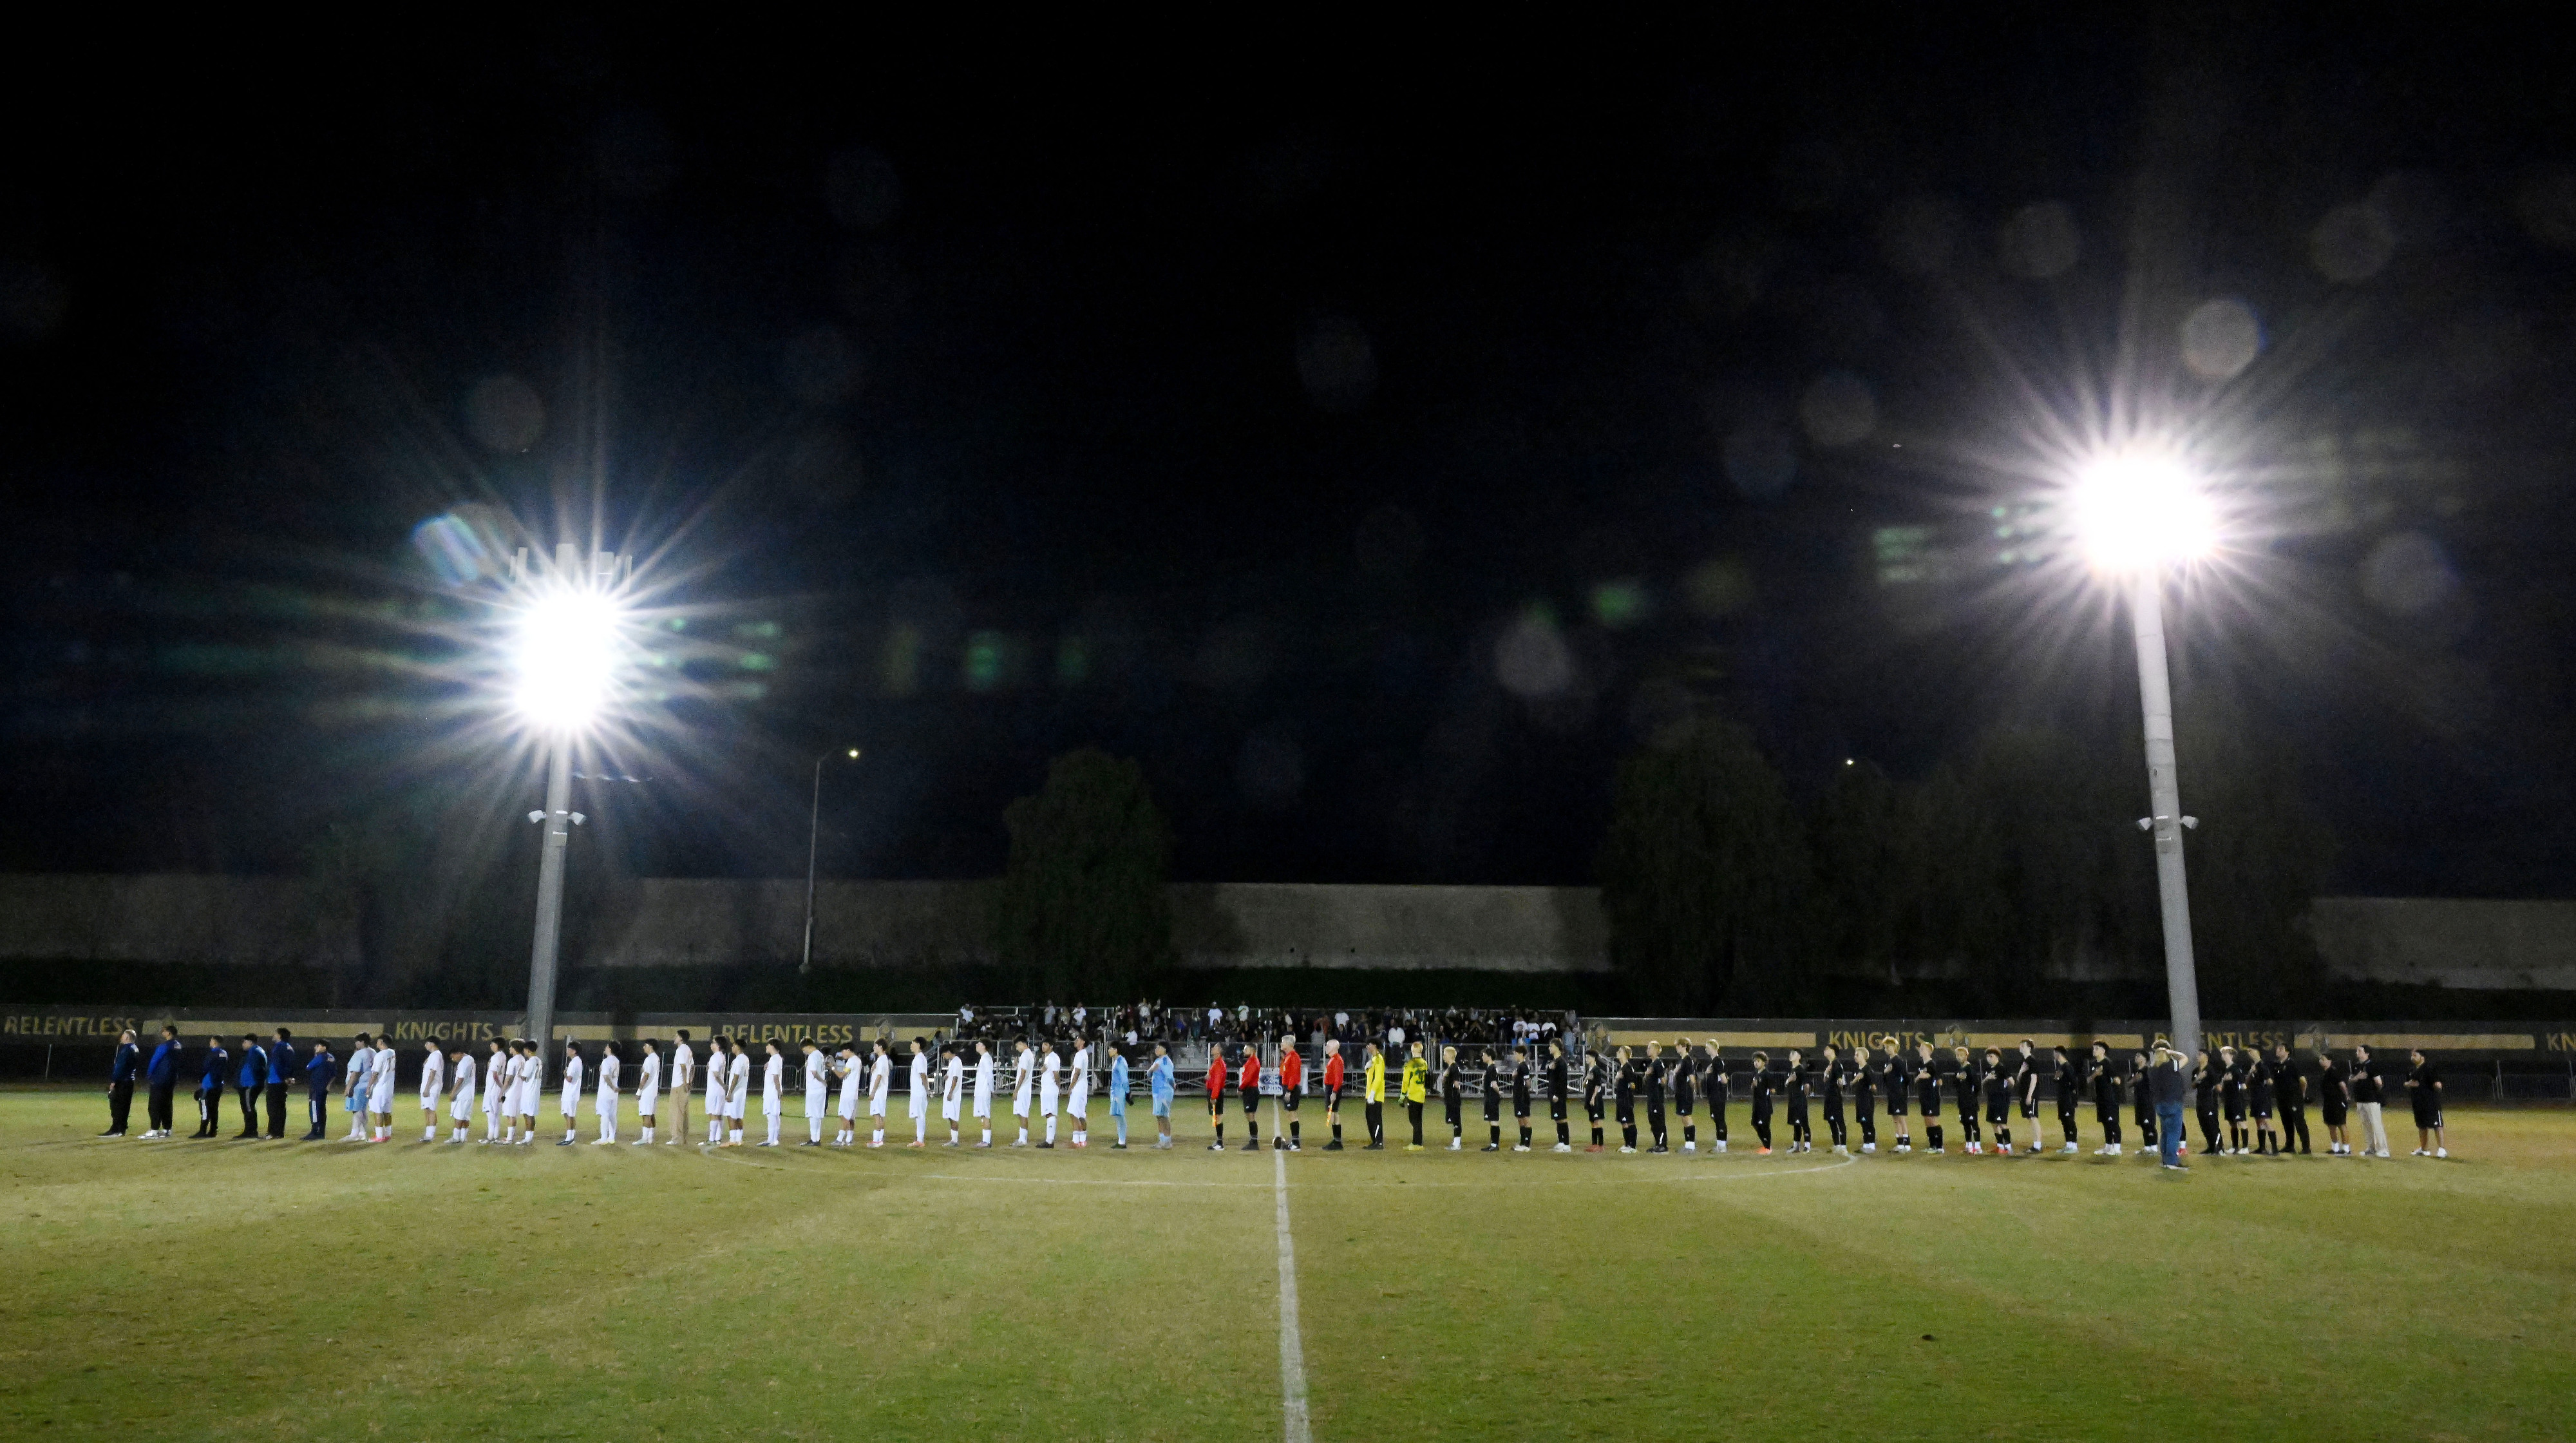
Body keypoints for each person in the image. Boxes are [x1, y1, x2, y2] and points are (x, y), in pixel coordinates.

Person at [2150, 1042, 2190, 1171]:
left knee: (2165, 1133)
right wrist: (2172, 1052)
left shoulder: (2152, 1069)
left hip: (2159, 1104)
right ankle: (2172, 1162)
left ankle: (2165, 1161)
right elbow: (2185, 1058)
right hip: (2172, 1102)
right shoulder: (2171, 1065)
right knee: (2173, 1133)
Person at [2351, 1045, 2391, 1158]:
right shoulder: (2357, 1066)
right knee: (2366, 1125)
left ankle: (2384, 1149)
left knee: (2376, 1124)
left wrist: (2374, 1091)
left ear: (2367, 1053)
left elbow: (2379, 1083)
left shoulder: (2372, 1065)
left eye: (2360, 1051)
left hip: (2371, 1100)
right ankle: (2371, 1148)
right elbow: (2351, 1079)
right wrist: (2358, 1077)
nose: (2357, 1052)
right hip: (2360, 1099)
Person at [2405, 1048, 2446, 1158]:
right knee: (2422, 1126)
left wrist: (2437, 1086)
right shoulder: (2412, 1070)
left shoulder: (2429, 1068)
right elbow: (2412, 1083)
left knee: (2437, 1126)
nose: (2412, 1057)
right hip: (2418, 1102)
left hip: (2431, 1102)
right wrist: (2409, 1084)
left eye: (2415, 1055)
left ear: (2422, 1057)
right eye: (2412, 1056)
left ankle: (2442, 1149)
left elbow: (2437, 1083)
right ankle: (2424, 1149)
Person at [2272, 1044, 2311, 1156]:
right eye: (2277, 1049)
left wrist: (2302, 1094)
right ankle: (2290, 1146)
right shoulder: (2276, 1065)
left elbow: (2303, 1081)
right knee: (2287, 1122)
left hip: (2294, 1098)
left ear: (2287, 1052)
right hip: (2281, 1098)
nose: (2278, 1051)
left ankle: (2306, 1148)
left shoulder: (2292, 1064)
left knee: (2299, 1122)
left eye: (2281, 1049)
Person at [2084, 1041, 2121, 1156]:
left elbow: (2118, 1081)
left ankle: (2117, 1147)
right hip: (2100, 1098)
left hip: (2110, 1098)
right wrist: (2096, 1073)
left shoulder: (2108, 1063)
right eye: (2094, 1048)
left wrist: (2111, 1079)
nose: (2094, 1050)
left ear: (2103, 1051)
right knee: (2105, 1122)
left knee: (2113, 1122)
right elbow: (2088, 1080)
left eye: (2097, 1048)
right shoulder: (2094, 1064)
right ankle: (2108, 1146)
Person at [144, 1025, 180, 1139]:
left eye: (164, 1031)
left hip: (160, 1079)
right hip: (171, 1079)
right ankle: (167, 1130)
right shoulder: (178, 1045)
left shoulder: (164, 1046)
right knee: (167, 1104)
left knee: (154, 1105)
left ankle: (154, 1130)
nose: (162, 1033)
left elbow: (155, 1061)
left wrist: (149, 1074)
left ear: (169, 1033)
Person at [104, 1028, 140, 1138]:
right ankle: (120, 1128)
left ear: (127, 1038)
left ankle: (117, 1129)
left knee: (117, 1105)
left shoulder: (127, 1049)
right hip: (129, 1081)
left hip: (123, 1081)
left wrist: (114, 1081)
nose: (121, 1037)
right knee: (124, 1106)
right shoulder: (134, 1048)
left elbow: (120, 1067)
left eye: (123, 1036)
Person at [232, 1033, 270, 1140]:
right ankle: (249, 1131)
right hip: (249, 1084)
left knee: (248, 1108)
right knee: (247, 1107)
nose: (243, 1044)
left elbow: (256, 1069)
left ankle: (251, 1131)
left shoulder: (255, 1052)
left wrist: (252, 1083)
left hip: (250, 1084)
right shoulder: (255, 1051)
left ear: (250, 1042)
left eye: (244, 1042)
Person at [2316, 1049, 2352, 1155]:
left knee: (2341, 1124)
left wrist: (2346, 1096)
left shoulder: (2334, 1071)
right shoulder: (2326, 1073)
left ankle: (2346, 1149)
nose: (2321, 1061)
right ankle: (2335, 1148)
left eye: (2323, 1059)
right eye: (2320, 1059)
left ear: (2330, 1061)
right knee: (2331, 1124)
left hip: (2338, 1102)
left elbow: (2342, 1085)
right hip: (2329, 1103)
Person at [194, 1034, 231, 1140]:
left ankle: (202, 1131)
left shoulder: (212, 1054)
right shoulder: (224, 1054)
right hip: (219, 1084)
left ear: (215, 1042)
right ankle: (213, 1130)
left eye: (211, 1041)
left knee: (205, 1108)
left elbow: (205, 1068)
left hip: (208, 1084)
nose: (210, 1043)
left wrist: (200, 1080)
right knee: (214, 1108)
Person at [337, 1031, 368, 1142]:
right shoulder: (373, 1052)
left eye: (357, 1041)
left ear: (362, 1042)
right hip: (368, 1085)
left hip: (359, 1085)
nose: (356, 1044)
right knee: (363, 1109)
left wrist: (348, 1087)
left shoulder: (359, 1054)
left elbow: (355, 1072)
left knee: (356, 1109)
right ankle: (363, 1133)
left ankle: (354, 1134)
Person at [1913, 1042, 1944, 1155]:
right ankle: (1932, 1145)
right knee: (1927, 1120)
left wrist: (1920, 1076)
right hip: (1924, 1097)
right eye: (1920, 1048)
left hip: (1932, 1097)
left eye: (1923, 1048)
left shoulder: (1932, 1065)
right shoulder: (1921, 1065)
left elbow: (1933, 1077)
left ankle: (1939, 1146)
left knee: (1932, 1120)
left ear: (1929, 1051)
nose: (1920, 1050)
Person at [2249, 1046, 2280, 1157]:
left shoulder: (2262, 1066)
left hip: (2262, 1098)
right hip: (2255, 1097)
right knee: (2259, 1122)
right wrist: (2250, 1073)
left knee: (2266, 1121)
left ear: (2258, 1053)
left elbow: (2270, 1081)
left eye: (2251, 1051)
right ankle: (2262, 1148)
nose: (2249, 1053)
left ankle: (2275, 1149)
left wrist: (2264, 1086)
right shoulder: (2253, 1066)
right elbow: (2248, 1081)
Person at [2012, 1039, 2042, 1156]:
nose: (2020, 1047)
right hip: (2024, 1094)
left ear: (2029, 1048)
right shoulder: (2023, 1062)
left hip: (2031, 1095)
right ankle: (2035, 1144)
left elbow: (2034, 1079)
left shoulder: (2032, 1061)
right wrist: (2021, 1072)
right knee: (2030, 1118)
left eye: (2023, 1045)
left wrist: (2030, 1095)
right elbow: (2019, 1080)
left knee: (2033, 1118)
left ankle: (2037, 1145)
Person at [303, 1039, 336, 1140]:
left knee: (314, 1108)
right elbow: (334, 1074)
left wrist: (316, 1055)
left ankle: (315, 1131)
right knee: (322, 1109)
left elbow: (308, 1067)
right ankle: (321, 1132)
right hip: (325, 1087)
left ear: (324, 1047)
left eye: (318, 1046)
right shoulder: (331, 1057)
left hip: (316, 1087)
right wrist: (329, 1085)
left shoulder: (320, 1057)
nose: (316, 1047)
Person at [1948, 1046, 1980, 1155]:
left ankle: (1978, 1146)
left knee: (1973, 1123)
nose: (1959, 1057)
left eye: (1961, 1055)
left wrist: (1972, 1096)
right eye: (1957, 1055)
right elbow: (1954, 1084)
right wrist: (1957, 1079)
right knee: (1965, 1123)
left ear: (1966, 1056)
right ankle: (1969, 1145)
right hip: (1962, 1101)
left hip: (1970, 1102)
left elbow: (1976, 1085)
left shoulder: (1969, 1069)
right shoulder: (1959, 1069)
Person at [267, 1028, 298, 1138]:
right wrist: (289, 1076)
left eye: (276, 1033)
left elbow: (278, 1064)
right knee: (279, 1107)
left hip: (276, 1081)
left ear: (280, 1035)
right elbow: (291, 1064)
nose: (274, 1035)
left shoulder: (280, 1047)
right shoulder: (288, 1047)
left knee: (273, 1108)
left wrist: (285, 1077)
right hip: (279, 1081)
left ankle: (274, 1133)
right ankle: (277, 1132)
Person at [2191, 1048, 2222, 1157]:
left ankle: (2219, 1148)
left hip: (2210, 1101)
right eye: (2198, 1054)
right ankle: (2211, 1146)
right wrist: (2198, 1079)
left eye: (2200, 1054)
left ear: (2206, 1057)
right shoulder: (2196, 1071)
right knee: (2203, 1124)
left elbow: (2218, 1087)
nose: (2198, 1056)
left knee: (2212, 1124)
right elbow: (2193, 1086)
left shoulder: (2211, 1070)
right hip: (2200, 1101)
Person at [2126, 1050, 2157, 1160]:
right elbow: (2128, 1083)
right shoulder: (2136, 1071)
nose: (2136, 1057)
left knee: (2149, 1123)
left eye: (2139, 1056)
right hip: (2139, 1101)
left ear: (2145, 1059)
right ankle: (2147, 1146)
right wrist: (2135, 1079)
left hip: (2147, 1101)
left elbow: (2153, 1085)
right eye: (2136, 1055)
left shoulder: (2148, 1071)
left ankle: (2154, 1146)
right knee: (2143, 1124)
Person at [1275, 1035, 1305, 1151]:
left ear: (1289, 1044)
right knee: (1290, 1114)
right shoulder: (1289, 1057)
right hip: (1288, 1087)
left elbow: (1293, 1075)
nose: (1281, 1044)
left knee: (1292, 1114)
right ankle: (1294, 1141)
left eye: (1283, 1042)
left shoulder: (1294, 1057)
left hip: (1291, 1088)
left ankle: (1296, 1143)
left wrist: (1289, 1090)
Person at [1398, 1040, 1428, 1151]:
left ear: (1412, 1050)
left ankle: (1417, 1143)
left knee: (1414, 1120)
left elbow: (1405, 1081)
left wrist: (1403, 1095)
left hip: (1413, 1094)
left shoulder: (1410, 1064)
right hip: (1421, 1093)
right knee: (1418, 1119)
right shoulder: (1424, 1063)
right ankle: (1417, 1142)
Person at [417, 1035, 448, 1143]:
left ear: (432, 1044)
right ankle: (428, 1134)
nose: (425, 1046)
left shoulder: (436, 1055)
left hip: (432, 1088)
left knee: (430, 1110)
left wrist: (427, 1088)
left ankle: (430, 1135)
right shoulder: (434, 1056)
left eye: (427, 1043)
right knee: (428, 1109)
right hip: (431, 1087)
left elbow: (433, 1072)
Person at [1819, 1044, 1848, 1155]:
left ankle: (1843, 1146)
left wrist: (1840, 1086)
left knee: (1839, 1120)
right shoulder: (1830, 1065)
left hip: (1835, 1097)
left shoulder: (1837, 1064)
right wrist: (1826, 1073)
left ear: (1833, 1051)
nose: (1825, 1051)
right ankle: (1837, 1145)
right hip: (1829, 1097)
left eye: (1828, 1049)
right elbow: (1825, 1081)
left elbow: (1841, 1082)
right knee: (1831, 1121)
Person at [1882, 1040, 1911, 1154]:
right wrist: (1885, 1072)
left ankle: (1907, 1144)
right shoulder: (1888, 1062)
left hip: (1899, 1094)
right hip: (1892, 1093)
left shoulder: (1899, 1061)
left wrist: (1901, 1090)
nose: (1887, 1049)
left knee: (1901, 1118)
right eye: (1885, 1047)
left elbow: (1906, 1078)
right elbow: (1886, 1079)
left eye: (1889, 1047)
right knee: (1895, 1118)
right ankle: (1900, 1144)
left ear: (1895, 1047)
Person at [631, 1037, 661, 1145]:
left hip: (647, 1091)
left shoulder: (649, 1059)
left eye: (645, 1045)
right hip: (654, 1090)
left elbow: (646, 1075)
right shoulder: (656, 1058)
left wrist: (639, 1091)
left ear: (650, 1047)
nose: (644, 1047)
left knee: (646, 1114)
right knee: (652, 1114)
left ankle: (644, 1138)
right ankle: (650, 1137)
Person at [1231, 1038, 1260, 1152]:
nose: (1244, 1051)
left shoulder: (1254, 1062)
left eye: (1246, 1049)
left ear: (1252, 1050)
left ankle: (1254, 1142)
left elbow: (1249, 1078)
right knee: (1249, 1116)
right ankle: (1253, 1141)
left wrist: (1241, 1088)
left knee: (1251, 1116)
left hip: (1251, 1090)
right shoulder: (1251, 1061)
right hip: (1250, 1090)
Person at [1640, 1041, 1668, 1153]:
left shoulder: (1658, 1063)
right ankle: (1657, 1144)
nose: (1648, 1050)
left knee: (1658, 1121)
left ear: (1657, 1050)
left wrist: (1659, 1085)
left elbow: (1663, 1081)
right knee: (1653, 1121)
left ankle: (1663, 1145)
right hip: (1651, 1098)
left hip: (1657, 1098)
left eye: (1650, 1048)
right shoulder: (1651, 1064)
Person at [558, 1040, 587, 1146]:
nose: (567, 1051)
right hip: (573, 1093)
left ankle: (569, 1138)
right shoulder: (578, 1061)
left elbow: (569, 1079)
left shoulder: (574, 1062)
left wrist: (565, 1073)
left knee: (568, 1115)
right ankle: (571, 1137)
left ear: (574, 1051)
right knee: (570, 1114)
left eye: (569, 1049)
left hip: (570, 1093)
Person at [448, 1040, 478, 1144]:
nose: (453, 1059)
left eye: (453, 1057)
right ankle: (463, 1137)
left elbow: (460, 1079)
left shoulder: (463, 1062)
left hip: (463, 1093)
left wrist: (453, 1092)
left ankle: (456, 1137)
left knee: (459, 1115)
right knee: (465, 1115)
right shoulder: (470, 1059)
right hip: (469, 1093)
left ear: (459, 1053)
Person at [1068, 1036, 1095, 1149]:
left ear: (1083, 1042)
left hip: (1078, 1087)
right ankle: (1082, 1138)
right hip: (1083, 1087)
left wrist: (1071, 1087)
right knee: (1081, 1113)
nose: (1075, 1041)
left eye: (1078, 1039)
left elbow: (1077, 1072)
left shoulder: (1079, 1055)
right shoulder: (1083, 1054)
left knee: (1074, 1113)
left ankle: (1076, 1140)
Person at [1785, 1049, 1814, 1154]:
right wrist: (1789, 1080)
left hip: (1799, 1101)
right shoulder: (1791, 1070)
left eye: (1794, 1054)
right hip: (1792, 1100)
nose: (1791, 1055)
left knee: (1804, 1123)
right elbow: (1787, 1084)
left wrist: (1807, 1088)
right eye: (1791, 1053)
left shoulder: (1800, 1070)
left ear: (1799, 1057)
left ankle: (1807, 1146)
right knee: (1795, 1123)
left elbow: (1807, 1083)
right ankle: (1796, 1146)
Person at [480, 1038, 509, 1143]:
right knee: (496, 1113)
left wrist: (501, 1086)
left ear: (497, 1045)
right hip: (498, 1089)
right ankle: (496, 1135)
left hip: (493, 1089)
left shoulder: (496, 1057)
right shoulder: (503, 1056)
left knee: (490, 1112)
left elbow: (495, 1074)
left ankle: (490, 1136)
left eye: (492, 1044)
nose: (491, 1046)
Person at [1545, 1038, 1572, 1152]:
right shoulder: (1554, 1062)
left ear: (1556, 1047)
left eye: (1551, 1046)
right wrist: (1549, 1069)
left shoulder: (1561, 1062)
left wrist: (1557, 1094)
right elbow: (1550, 1078)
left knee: (1562, 1118)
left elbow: (1562, 1081)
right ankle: (1561, 1142)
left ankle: (1566, 1144)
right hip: (1553, 1094)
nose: (1549, 1048)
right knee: (1557, 1119)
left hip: (1558, 1095)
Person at [725, 1035, 752, 1147]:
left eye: (733, 1045)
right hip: (742, 1091)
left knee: (731, 1115)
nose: (732, 1048)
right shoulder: (746, 1059)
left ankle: (732, 1140)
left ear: (737, 1047)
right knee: (739, 1115)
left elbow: (736, 1076)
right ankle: (739, 1139)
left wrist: (730, 1092)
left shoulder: (738, 1060)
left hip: (736, 1092)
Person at [595, 1040, 624, 1145]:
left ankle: (603, 1138)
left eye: (607, 1047)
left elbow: (606, 1077)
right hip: (613, 1093)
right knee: (612, 1114)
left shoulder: (606, 1061)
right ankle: (611, 1137)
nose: (605, 1048)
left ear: (610, 1049)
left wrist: (612, 1087)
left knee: (604, 1114)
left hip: (606, 1091)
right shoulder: (616, 1060)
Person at [1745, 1050, 1774, 1155]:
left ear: (1764, 1062)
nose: (1756, 1063)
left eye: (1758, 1061)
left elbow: (1772, 1089)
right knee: (1755, 1123)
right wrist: (1753, 1086)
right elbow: (1754, 1088)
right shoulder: (1755, 1074)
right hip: (1756, 1104)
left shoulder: (1767, 1074)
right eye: (1754, 1061)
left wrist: (1768, 1089)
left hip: (1765, 1104)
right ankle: (1765, 1144)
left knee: (1765, 1126)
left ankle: (1768, 1147)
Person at [1437, 1046, 1465, 1150]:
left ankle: (1457, 1144)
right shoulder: (1451, 1067)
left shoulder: (1454, 1067)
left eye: (1445, 1054)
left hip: (1453, 1097)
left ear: (1450, 1055)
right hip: (1450, 1097)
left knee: (1456, 1120)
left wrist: (1451, 1085)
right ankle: (1456, 1142)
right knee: (1454, 1119)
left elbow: (1457, 1084)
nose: (1444, 1056)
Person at [1583, 1046, 1610, 1152]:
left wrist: (1593, 1098)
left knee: (1596, 1121)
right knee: (1592, 1122)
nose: (1586, 1059)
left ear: (1594, 1058)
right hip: (1589, 1097)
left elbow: (1598, 1086)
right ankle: (1594, 1144)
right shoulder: (1589, 1070)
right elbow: (1585, 1085)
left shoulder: (1597, 1070)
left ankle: (1600, 1145)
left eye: (1588, 1057)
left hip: (1596, 1099)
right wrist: (1586, 1079)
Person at [1849, 1045, 1875, 1154]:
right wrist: (1856, 1079)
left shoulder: (1868, 1069)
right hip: (1859, 1099)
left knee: (1868, 1121)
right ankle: (1866, 1144)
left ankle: (1871, 1144)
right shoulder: (1857, 1071)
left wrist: (1866, 1079)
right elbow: (1852, 1085)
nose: (1855, 1057)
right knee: (1862, 1121)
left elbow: (1874, 1087)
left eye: (1857, 1055)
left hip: (1867, 1099)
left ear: (1864, 1056)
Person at [1036, 1038, 1062, 1148]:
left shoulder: (1052, 1058)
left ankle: (1050, 1141)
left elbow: (1056, 1073)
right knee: (1049, 1113)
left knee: (1050, 1113)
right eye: (1043, 1044)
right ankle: (1049, 1140)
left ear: (1051, 1046)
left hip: (1050, 1088)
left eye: (1046, 1044)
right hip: (1048, 1088)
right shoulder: (1049, 1058)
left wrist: (1058, 1085)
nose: (1043, 1046)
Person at [1150, 1042, 1177, 1149]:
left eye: (1159, 1047)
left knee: (1164, 1116)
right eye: (1156, 1047)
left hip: (1164, 1092)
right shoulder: (1158, 1061)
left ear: (1165, 1050)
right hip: (1157, 1092)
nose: (1157, 1049)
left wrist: (1173, 1085)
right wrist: (1152, 1070)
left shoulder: (1165, 1061)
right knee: (1159, 1116)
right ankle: (1162, 1141)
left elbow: (1169, 1076)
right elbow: (1148, 1073)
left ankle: (1167, 1141)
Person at [1010, 1038, 1036, 1146]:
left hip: (1023, 1089)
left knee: (1022, 1114)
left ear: (1021, 1043)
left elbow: (1023, 1074)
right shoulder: (1029, 1054)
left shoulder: (1025, 1055)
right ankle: (1022, 1138)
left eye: (1017, 1046)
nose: (1017, 1049)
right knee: (1022, 1113)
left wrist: (1016, 1090)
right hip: (1026, 1088)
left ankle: (1023, 1140)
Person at [1205, 1042, 1230, 1151]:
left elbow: (1217, 1082)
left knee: (1218, 1117)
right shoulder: (1216, 1063)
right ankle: (1219, 1142)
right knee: (1216, 1117)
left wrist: (1214, 1096)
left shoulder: (1219, 1063)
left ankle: (1220, 1143)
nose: (1212, 1049)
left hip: (1216, 1093)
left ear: (1219, 1051)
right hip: (1214, 1092)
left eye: (1215, 1047)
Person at [1321, 1038, 1346, 1151]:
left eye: (1328, 1046)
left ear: (1334, 1048)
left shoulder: (1337, 1060)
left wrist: (1334, 1092)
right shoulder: (1334, 1059)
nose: (1326, 1048)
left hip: (1333, 1089)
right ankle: (1336, 1140)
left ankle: (1337, 1141)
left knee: (1334, 1114)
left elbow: (1338, 1078)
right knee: (1333, 1114)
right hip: (1331, 1088)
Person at [1361, 1040, 1387, 1149]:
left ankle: (1379, 1142)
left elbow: (1378, 1078)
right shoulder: (1374, 1059)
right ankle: (1375, 1141)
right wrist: (1367, 1069)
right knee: (1369, 1117)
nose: (1367, 1046)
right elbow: (1372, 1076)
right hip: (1371, 1095)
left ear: (1375, 1045)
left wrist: (1373, 1093)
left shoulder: (1379, 1060)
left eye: (1369, 1044)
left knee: (1376, 1119)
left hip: (1376, 1095)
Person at [972, 1039, 997, 1147]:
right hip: (981, 1091)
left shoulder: (986, 1058)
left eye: (979, 1043)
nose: (977, 1045)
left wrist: (992, 1090)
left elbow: (989, 1076)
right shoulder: (984, 1058)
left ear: (984, 1046)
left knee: (985, 1114)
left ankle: (986, 1141)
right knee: (983, 1115)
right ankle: (985, 1140)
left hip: (983, 1091)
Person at [942, 1042, 966, 1147]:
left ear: (948, 1052)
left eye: (944, 1055)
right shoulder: (952, 1062)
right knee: (950, 1116)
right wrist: (947, 1077)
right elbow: (952, 1076)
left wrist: (951, 1092)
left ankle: (955, 1141)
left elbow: (955, 1078)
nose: (944, 1057)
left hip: (954, 1095)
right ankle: (953, 1140)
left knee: (953, 1116)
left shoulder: (956, 1062)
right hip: (950, 1093)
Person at [1106, 1043, 1130, 1149]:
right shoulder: (1118, 1061)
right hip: (1117, 1091)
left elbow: (1124, 1079)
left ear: (1116, 1050)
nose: (1109, 1051)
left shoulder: (1120, 1061)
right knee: (1117, 1115)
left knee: (1120, 1115)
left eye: (1111, 1049)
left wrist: (1127, 1092)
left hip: (1119, 1091)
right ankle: (1121, 1140)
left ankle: (1122, 1141)